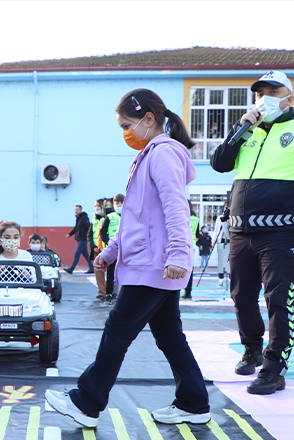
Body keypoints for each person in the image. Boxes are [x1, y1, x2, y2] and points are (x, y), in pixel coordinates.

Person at [46, 88, 210, 428]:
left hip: (155, 266)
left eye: (127, 124)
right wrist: (108, 254)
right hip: (151, 264)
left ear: (149, 119)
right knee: (169, 336)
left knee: (117, 332)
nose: (125, 132)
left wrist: (180, 252)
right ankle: (194, 402)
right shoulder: (149, 156)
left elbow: (176, 207)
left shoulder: (163, 154)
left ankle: (86, 402)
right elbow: (137, 219)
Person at [210, 70, 294, 395]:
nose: (264, 97)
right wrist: (240, 128)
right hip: (241, 231)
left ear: (289, 98)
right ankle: (251, 348)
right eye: (259, 92)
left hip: (282, 232)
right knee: (240, 296)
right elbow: (219, 164)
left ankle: (274, 367)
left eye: (272, 91)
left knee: (280, 299)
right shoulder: (247, 133)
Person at [99, 194, 123, 300]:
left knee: (123, 270)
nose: (119, 205)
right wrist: (109, 242)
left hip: (125, 248)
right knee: (111, 271)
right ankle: (109, 292)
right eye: (117, 203)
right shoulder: (110, 217)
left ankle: (120, 293)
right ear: (114, 205)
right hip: (113, 248)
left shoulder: (129, 216)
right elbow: (102, 232)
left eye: (121, 203)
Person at [89, 199, 108, 300]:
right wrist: (93, 247)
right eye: (95, 206)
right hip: (97, 250)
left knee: (110, 272)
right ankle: (101, 292)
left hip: (107, 250)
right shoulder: (94, 221)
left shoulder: (107, 219)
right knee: (99, 272)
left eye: (98, 206)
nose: (96, 208)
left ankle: (110, 290)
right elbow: (90, 235)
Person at [66, 205, 94, 274]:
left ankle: (71, 269)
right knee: (86, 255)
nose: (76, 211)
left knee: (77, 253)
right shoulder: (78, 218)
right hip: (79, 239)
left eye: (77, 209)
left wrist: (90, 236)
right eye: (75, 209)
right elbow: (76, 228)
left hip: (83, 239)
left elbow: (89, 227)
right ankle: (92, 268)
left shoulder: (84, 218)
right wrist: (70, 234)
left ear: (81, 210)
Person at [182, 202, 200, 300]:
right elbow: (197, 234)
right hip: (192, 244)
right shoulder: (196, 219)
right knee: (189, 268)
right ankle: (188, 292)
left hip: (181, 242)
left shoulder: (182, 215)